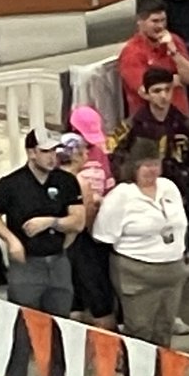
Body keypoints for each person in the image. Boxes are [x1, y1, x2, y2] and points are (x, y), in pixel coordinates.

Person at [0, 128, 86, 376]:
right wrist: (11, 240)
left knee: (60, 328)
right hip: (26, 265)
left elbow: (78, 221)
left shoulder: (65, 181)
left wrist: (50, 222)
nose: (52, 156)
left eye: (54, 151)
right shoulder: (11, 184)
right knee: (22, 331)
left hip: (58, 262)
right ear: (31, 153)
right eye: (45, 151)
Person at [93, 139, 189, 376]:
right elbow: (103, 236)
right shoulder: (122, 196)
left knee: (164, 330)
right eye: (145, 165)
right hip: (136, 271)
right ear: (133, 167)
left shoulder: (168, 187)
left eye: (155, 164)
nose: (151, 170)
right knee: (139, 331)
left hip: (171, 269)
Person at [109, 65, 189, 261]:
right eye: (157, 91)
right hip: (144, 183)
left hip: (180, 180)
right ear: (146, 94)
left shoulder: (183, 122)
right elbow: (114, 154)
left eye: (167, 90)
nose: (163, 96)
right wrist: (131, 178)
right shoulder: (133, 125)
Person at [55, 133, 116, 332]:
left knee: (71, 300)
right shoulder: (80, 183)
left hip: (58, 247)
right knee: (99, 298)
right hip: (82, 245)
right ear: (78, 155)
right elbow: (87, 217)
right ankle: (111, 353)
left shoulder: (50, 180)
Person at [118, 0, 189, 117]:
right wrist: (176, 80)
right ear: (140, 22)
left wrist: (174, 53)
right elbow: (146, 90)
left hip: (181, 117)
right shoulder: (131, 52)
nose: (160, 26)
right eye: (155, 21)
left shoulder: (174, 40)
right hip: (149, 123)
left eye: (163, 20)